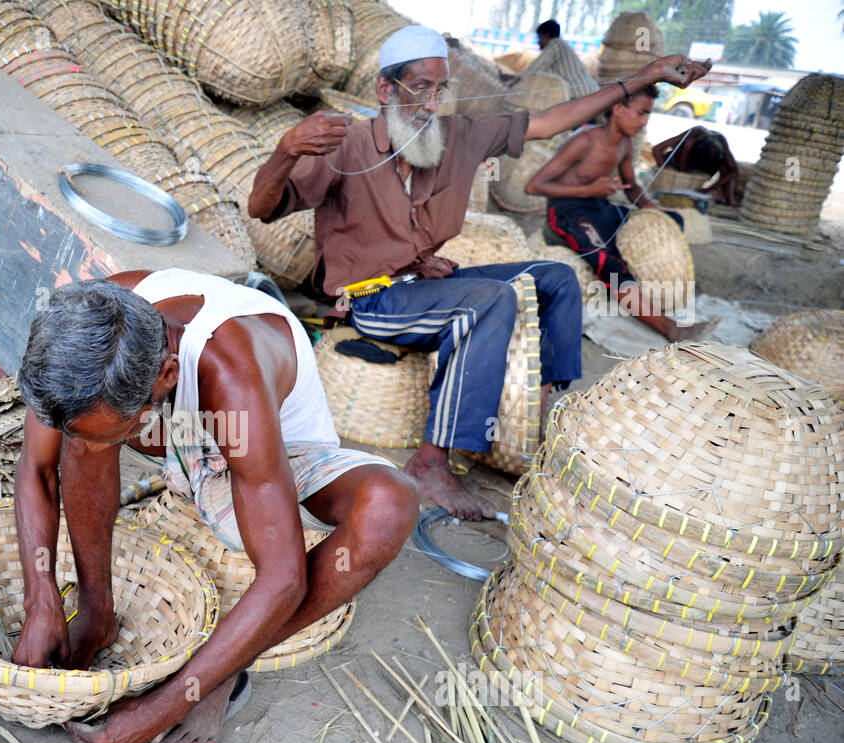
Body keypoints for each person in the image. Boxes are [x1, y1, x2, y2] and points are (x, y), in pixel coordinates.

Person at [247, 25, 711, 519]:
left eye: (439, 89)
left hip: (427, 285)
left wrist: (648, 73)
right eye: (418, 88)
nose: (430, 104)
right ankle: (431, 461)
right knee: (490, 299)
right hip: (374, 301)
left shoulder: (459, 137)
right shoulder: (346, 147)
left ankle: (542, 410)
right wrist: (287, 150)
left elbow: (550, 122)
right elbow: (261, 206)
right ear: (385, 89)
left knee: (554, 276)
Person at [12, 270, 418, 743]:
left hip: (274, 457)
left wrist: (166, 704)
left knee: (388, 507)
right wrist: (42, 597)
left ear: (166, 373)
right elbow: (36, 466)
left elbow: (283, 578)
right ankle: (97, 612)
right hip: (179, 432)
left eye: (110, 430)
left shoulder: (231, 371)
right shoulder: (90, 332)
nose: (94, 441)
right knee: (85, 435)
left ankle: (225, 675)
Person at [526, 86, 694, 341]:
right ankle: (669, 328)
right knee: (610, 265)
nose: (644, 121)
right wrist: (588, 189)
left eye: (648, 114)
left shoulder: (625, 145)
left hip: (599, 208)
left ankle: (650, 294)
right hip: (568, 212)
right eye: (641, 113)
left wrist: (649, 207)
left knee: (670, 223)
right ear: (617, 109)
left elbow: (632, 187)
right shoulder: (585, 141)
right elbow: (534, 185)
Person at [652, 127, 742, 206]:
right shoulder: (694, 133)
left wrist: (709, 189)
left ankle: (730, 201)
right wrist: (665, 171)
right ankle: (681, 171)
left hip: (700, 171)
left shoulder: (720, 140)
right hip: (676, 167)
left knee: (725, 168)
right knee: (686, 145)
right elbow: (657, 149)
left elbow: (735, 171)